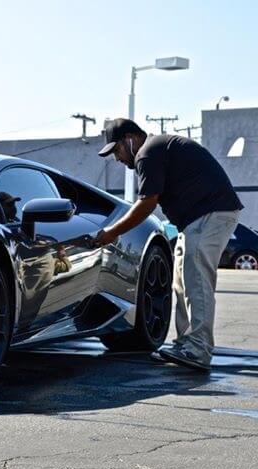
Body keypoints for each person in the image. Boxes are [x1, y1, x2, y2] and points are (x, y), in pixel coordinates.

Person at [94, 118, 243, 372]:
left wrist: (111, 233)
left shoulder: (146, 153)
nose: (117, 159)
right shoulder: (155, 148)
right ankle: (186, 344)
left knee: (196, 279)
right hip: (197, 218)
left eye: (117, 150)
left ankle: (198, 348)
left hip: (210, 213)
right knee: (182, 280)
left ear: (130, 139)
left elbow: (147, 203)